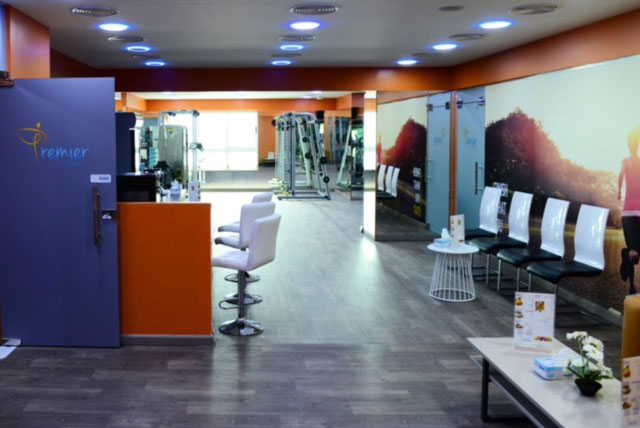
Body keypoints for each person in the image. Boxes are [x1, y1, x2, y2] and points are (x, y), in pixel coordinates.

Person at [618, 125, 640, 294]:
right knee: (635, 252)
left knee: (633, 252)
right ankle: (628, 255)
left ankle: (632, 286)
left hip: (627, 213)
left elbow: (621, 175)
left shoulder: (625, 161)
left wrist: (619, 191)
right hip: (636, 213)